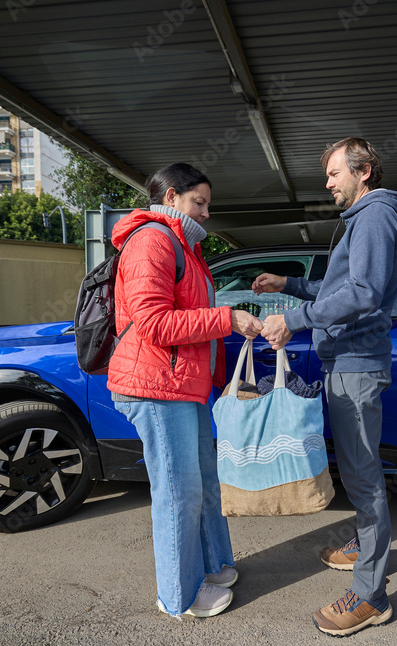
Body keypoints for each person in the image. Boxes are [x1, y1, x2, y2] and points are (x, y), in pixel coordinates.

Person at [253, 137, 397, 637]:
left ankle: (371, 596)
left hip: (356, 364)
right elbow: (340, 288)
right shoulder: (364, 217)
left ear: (363, 172)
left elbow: (364, 293)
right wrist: (289, 285)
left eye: (334, 173)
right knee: (357, 468)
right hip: (346, 360)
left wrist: (292, 320)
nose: (327, 183)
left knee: (363, 478)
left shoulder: (375, 216)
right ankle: (364, 548)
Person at [108, 163, 263, 618]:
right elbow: (153, 324)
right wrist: (227, 318)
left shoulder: (183, 246)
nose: (207, 213)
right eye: (200, 202)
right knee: (178, 493)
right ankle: (179, 595)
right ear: (171, 197)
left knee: (204, 484)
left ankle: (212, 566)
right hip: (157, 388)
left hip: (182, 386)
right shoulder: (152, 241)